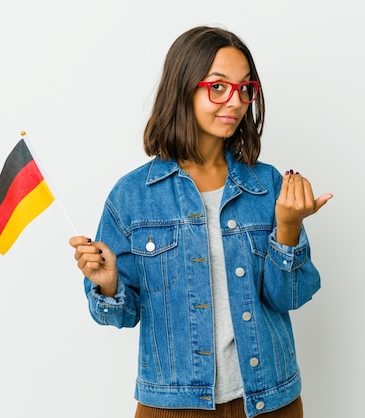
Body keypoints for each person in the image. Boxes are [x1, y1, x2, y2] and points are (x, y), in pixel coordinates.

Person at [69, 25, 332, 418]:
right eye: (218, 86)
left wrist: (288, 228)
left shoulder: (268, 186)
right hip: (173, 407)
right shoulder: (133, 196)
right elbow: (120, 315)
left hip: (270, 401)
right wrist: (108, 287)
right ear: (183, 88)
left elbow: (289, 297)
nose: (235, 101)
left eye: (245, 88)